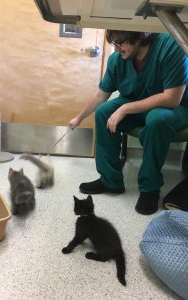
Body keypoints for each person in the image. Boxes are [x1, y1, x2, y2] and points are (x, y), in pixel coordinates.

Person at [69, 30, 188, 215]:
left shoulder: (171, 46)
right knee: (103, 112)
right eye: (113, 44)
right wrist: (79, 117)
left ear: (140, 35)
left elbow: (172, 98)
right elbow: (101, 94)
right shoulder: (117, 59)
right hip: (135, 100)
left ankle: (150, 189)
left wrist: (124, 109)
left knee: (157, 120)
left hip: (173, 107)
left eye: (120, 43)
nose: (116, 49)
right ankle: (110, 181)